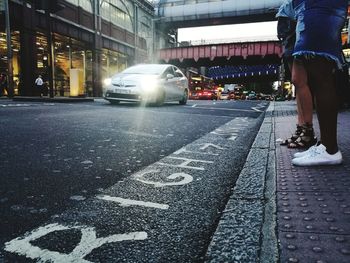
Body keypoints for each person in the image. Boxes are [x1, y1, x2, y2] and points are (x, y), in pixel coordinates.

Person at [291, 0, 347, 166]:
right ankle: (325, 145)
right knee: (318, 75)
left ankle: (330, 149)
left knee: (320, 74)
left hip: (319, 7)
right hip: (315, 7)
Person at [277, 0, 316, 149]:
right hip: (289, 30)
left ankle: (307, 130)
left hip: (296, 26)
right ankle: (301, 129)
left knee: (299, 80)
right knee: (297, 82)